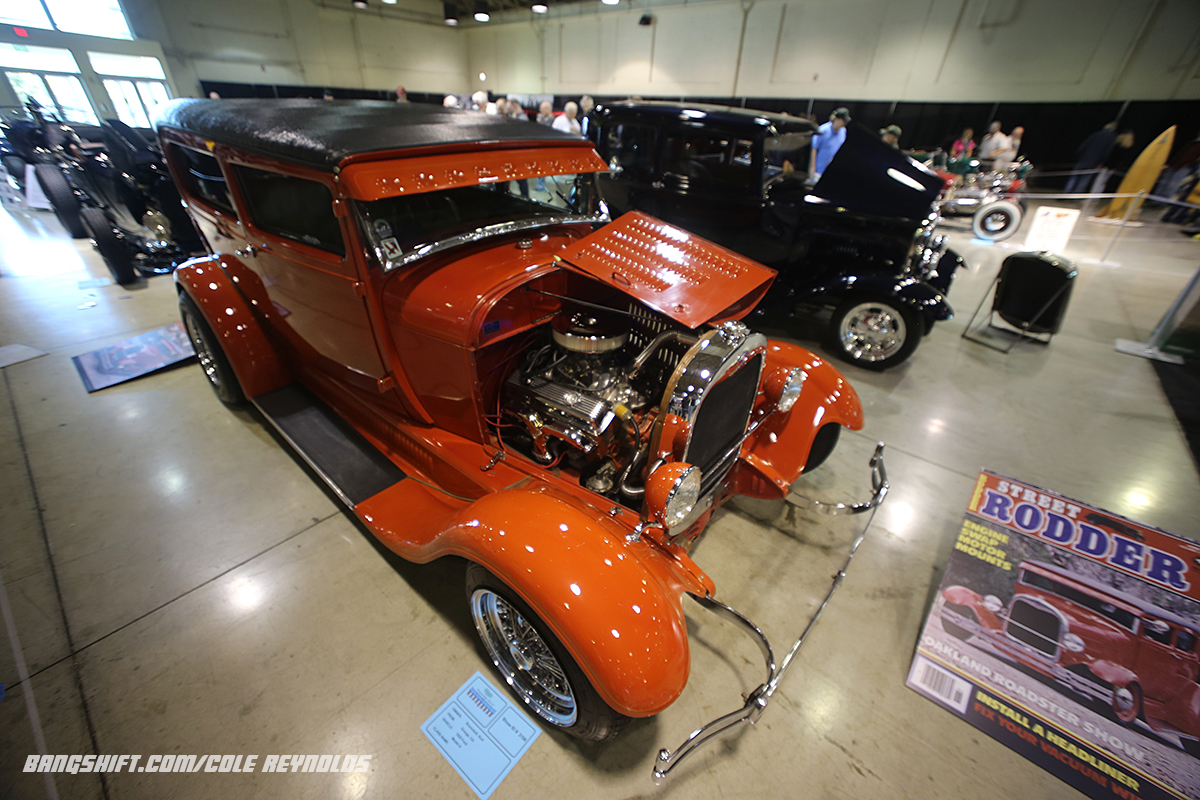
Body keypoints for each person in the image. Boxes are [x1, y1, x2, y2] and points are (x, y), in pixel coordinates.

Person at [1065, 122, 1117, 193]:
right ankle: (1076, 194)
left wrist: (1079, 157)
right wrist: (1101, 162)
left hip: (1083, 159)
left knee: (1074, 177)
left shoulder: (1096, 134)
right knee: (1084, 179)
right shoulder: (1112, 138)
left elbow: (1082, 147)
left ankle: (1066, 192)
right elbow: (1107, 152)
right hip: (1094, 162)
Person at [809, 107, 850, 180]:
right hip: (819, 172)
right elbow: (814, 150)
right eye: (843, 120)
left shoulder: (843, 131)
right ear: (837, 119)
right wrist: (812, 170)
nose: (844, 123)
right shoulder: (822, 130)